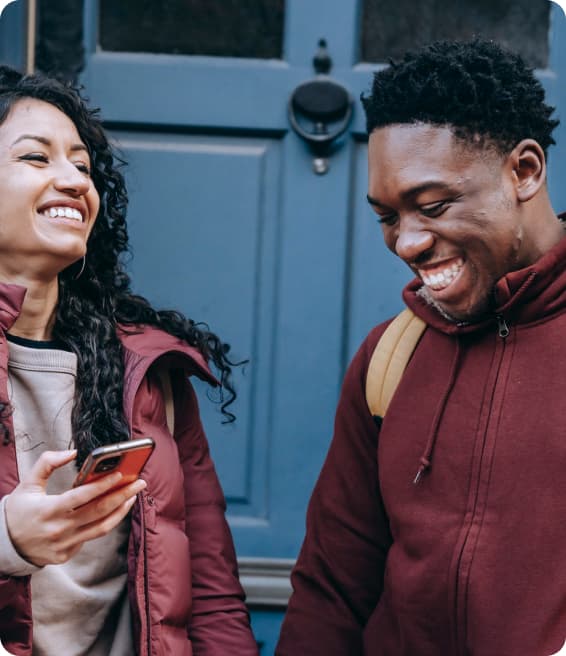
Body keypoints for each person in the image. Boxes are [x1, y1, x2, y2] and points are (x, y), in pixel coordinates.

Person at [276, 39, 566, 656]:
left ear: (525, 172)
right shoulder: (391, 355)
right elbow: (332, 586)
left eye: (432, 206)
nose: (406, 243)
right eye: (387, 216)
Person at [0, 65, 258, 656]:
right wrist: (8, 538)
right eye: (37, 159)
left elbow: (213, 593)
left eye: (82, 165)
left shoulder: (147, 369)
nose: (72, 180)